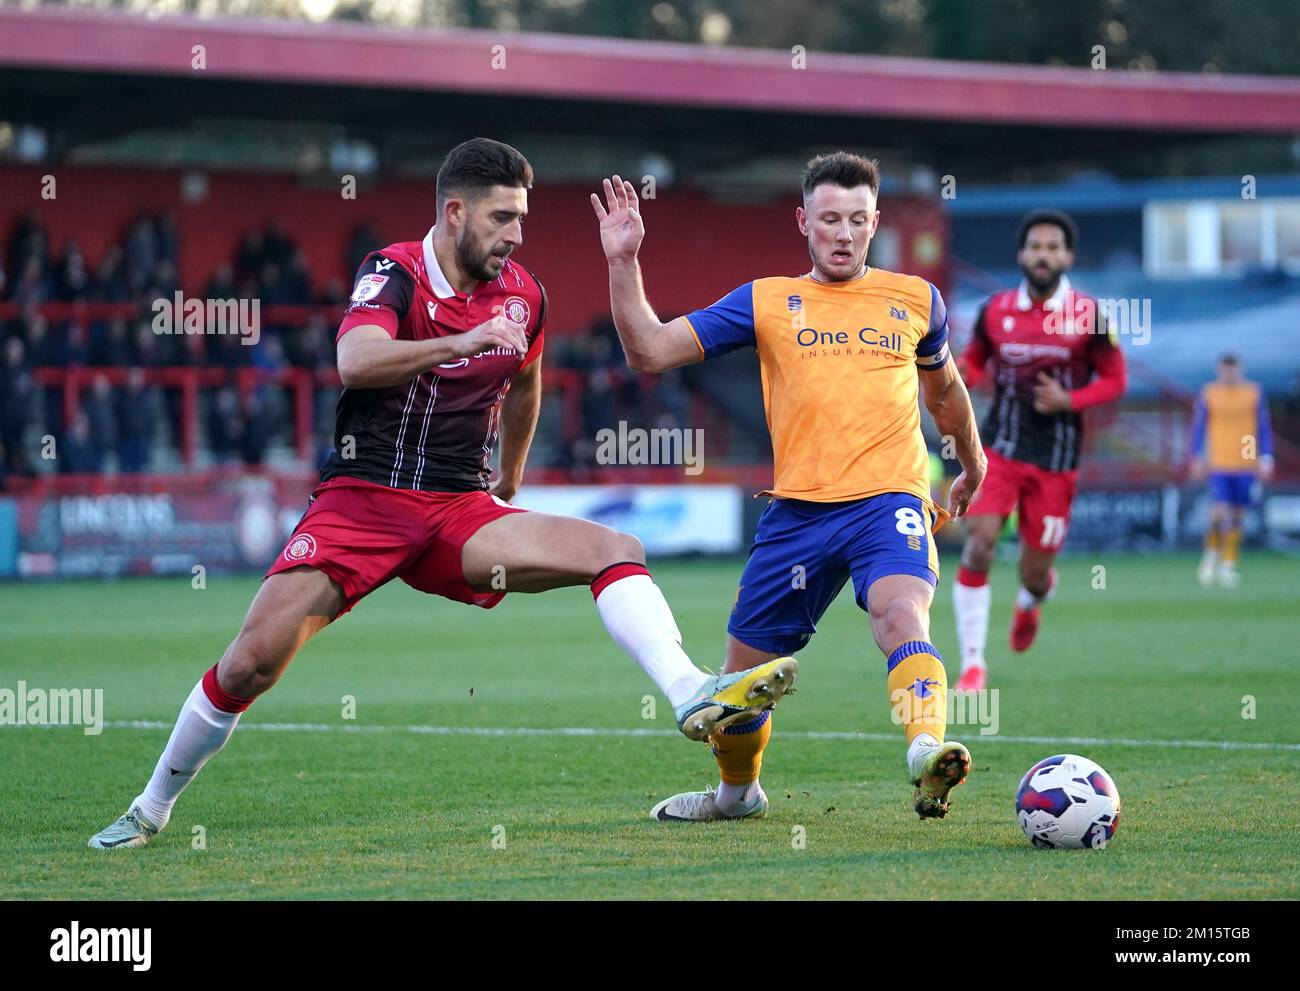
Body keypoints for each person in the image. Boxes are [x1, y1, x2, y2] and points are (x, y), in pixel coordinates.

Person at [88, 138, 795, 850]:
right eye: (500, 218)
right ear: (454, 213)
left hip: (457, 510)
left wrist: (510, 476)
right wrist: (454, 342)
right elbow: (354, 360)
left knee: (616, 547)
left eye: (521, 218)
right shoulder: (392, 271)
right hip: (361, 502)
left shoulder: (523, 294)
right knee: (250, 661)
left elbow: (526, 381)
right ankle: (150, 808)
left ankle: (688, 691)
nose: (516, 235)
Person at [592, 152, 985, 821]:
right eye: (830, 218)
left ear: (875, 223)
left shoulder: (918, 300)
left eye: (857, 220)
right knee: (740, 685)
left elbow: (944, 391)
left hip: (888, 499)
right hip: (796, 518)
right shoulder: (766, 300)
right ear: (804, 221)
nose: (843, 233)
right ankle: (737, 796)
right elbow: (651, 351)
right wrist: (623, 261)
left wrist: (970, 462)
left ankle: (927, 750)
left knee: (899, 615)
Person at [952, 210, 1127, 692]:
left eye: (1053, 247)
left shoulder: (1090, 315)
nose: (1043, 255)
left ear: (1067, 256)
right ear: (1021, 255)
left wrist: (1071, 400)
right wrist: (968, 373)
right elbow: (976, 359)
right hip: (1000, 449)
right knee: (980, 541)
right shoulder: (995, 310)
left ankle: (1034, 598)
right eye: (1035, 246)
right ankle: (973, 665)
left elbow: (1116, 379)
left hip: (1056, 460)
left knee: (1033, 574)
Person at [1191, 353, 1274, 587]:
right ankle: (1209, 558)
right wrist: (1197, 456)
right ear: (1219, 370)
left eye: (1233, 369)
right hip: (1219, 461)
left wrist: (1266, 458)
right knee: (1219, 510)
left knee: (1237, 514)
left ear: (1240, 369)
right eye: (1225, 370)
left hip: (1246, 460)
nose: (1229, 374)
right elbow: (1199, 427)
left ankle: (1228, 564)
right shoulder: (1210, 393)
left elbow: (1262, 426)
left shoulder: (1253, 392)